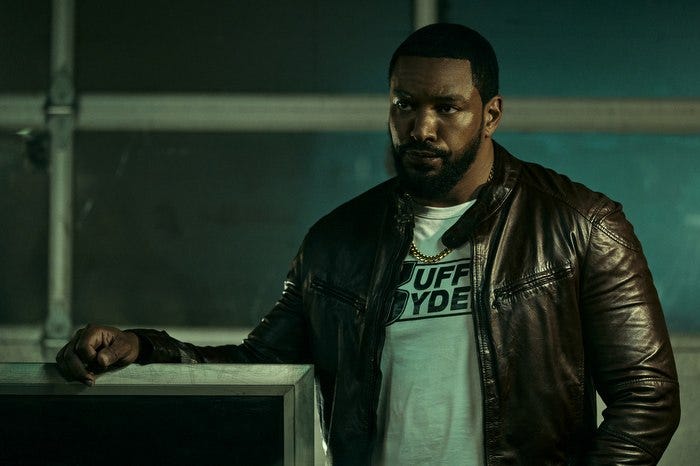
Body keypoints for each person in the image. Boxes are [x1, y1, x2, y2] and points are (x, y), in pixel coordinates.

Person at [56, 23, 680, 465]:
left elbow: (647, 397)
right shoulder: (338, 241)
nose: (421, 127)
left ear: (490, 114)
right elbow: (260, 368)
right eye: (405, 104)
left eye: (448, 107)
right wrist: (145, 349)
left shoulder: (580, 224)